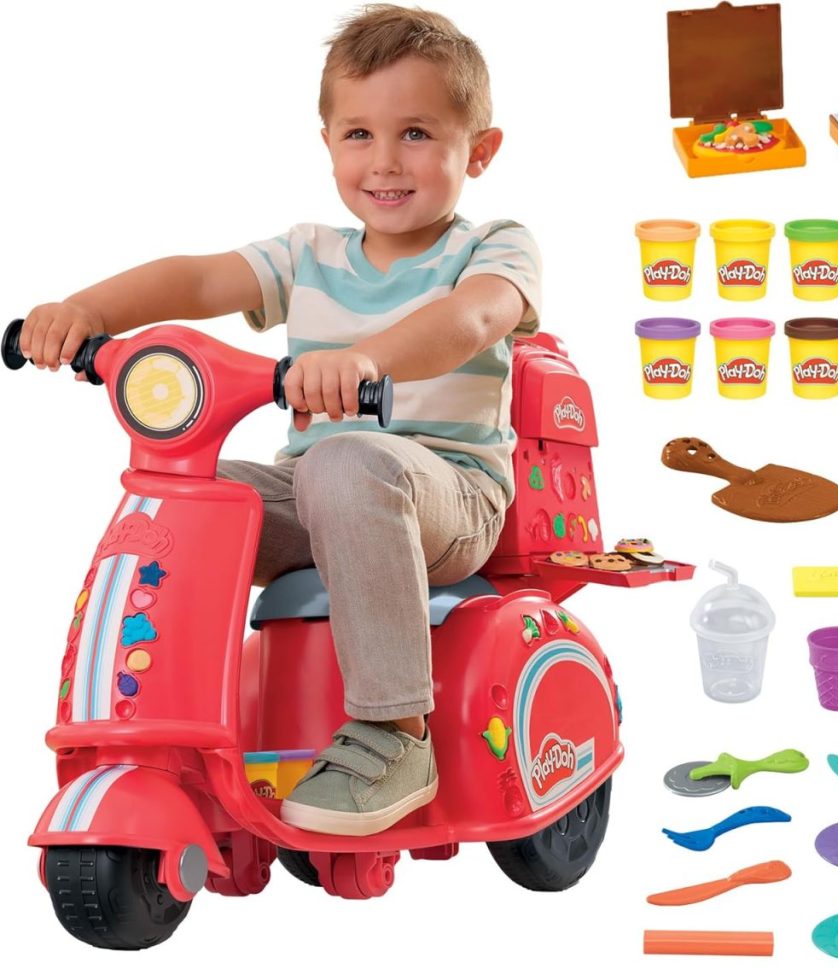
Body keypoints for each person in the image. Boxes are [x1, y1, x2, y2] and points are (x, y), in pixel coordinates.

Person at [18, 4, 540, 836]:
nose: (384, 162)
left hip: (450, 500)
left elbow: (473, 322)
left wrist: (369, 359)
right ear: (328, 142)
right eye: (359, 135)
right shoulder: (308, 253)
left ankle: (395, 731)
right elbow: (196, 281)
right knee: (175, 498)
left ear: (478, 150)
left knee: (345, 463)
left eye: (416, 133)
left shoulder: (494, 245)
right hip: (317, 489)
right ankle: (161, 728)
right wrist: (83, 310)